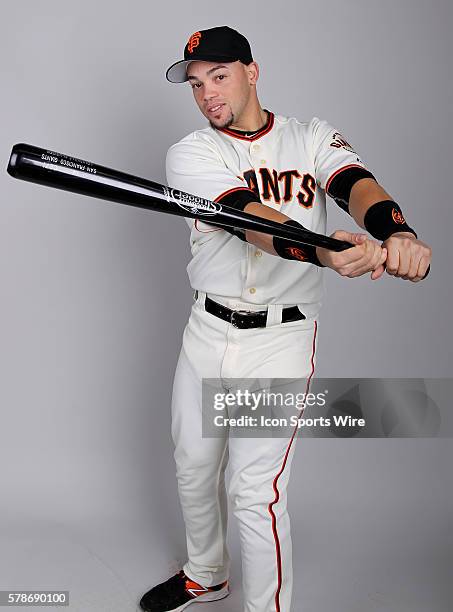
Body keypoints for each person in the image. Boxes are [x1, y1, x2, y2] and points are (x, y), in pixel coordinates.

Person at [139, 26, 432, 612]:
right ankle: (206, 576)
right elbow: (252, 220)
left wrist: (394, 233)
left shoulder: (310, 136)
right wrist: (327, 251)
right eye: (196, 84)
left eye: (219, 77)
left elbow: (354, 185)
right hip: (207, 331)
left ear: (252, 71)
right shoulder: (191, 153)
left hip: (281, 339)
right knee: (194, 466)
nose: (207, 95)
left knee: (254, 491)